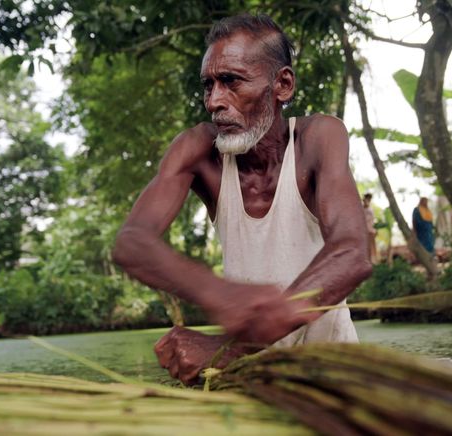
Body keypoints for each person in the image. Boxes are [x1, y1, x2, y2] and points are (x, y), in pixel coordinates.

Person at [111, 14, 372, 385]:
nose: (214, 101)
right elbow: (132, 242)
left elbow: (352, 252)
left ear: (282, 84)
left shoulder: (317, 138)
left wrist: (231, 348)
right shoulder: (199, 150)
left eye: (231, 81)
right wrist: (218, 293)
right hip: (252, 382)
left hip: (334, 374)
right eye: (208, 85)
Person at [362, 193, 378, 264]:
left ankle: (374, 261)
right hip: (365, 230)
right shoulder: (363, 208)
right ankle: (369, 261)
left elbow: (372, 220)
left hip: (371, 230)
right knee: (368, 246)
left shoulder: (370, 208)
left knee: (372, 246)